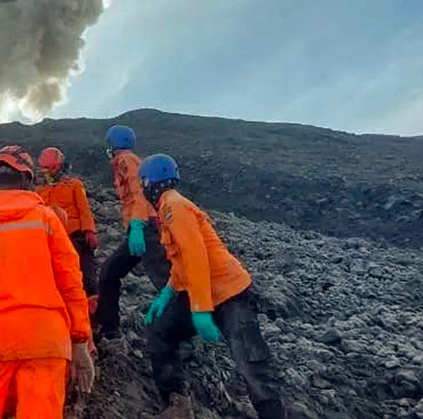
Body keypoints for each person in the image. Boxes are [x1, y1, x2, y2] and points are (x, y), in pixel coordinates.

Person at [0, 146, 95, 419]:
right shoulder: (48, 219)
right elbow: (71, 282)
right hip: (46, 339)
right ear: (27, 180)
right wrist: (81, 340)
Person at [140, 154, 285, 419]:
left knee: (251, 362)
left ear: (150, 182)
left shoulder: (174, 207)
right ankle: (177, 403)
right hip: (201, 291)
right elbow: (182, 260)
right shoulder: (167, 209)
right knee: (160, 330)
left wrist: (200, 309)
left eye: (143, 182)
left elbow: (196, 257)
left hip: (230, 292)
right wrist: (169, 291)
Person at [95, 125, 171, 339]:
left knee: (165, 281)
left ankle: (181, 330)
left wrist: (137, 224)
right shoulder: (126, 161)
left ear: (113, 144)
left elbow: (139, 193)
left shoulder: (126, 160)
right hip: (140, 229)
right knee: (109, 273)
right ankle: (109, 328)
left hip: (146, 228)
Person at [34, 147, 99, 315]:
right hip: (52, 239)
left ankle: (95, 313)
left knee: (86, 275)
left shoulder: (74, 185)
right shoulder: (40, 191)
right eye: (45, 169)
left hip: (75, 236)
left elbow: (84, 209)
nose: (47, 172)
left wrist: (89, 231)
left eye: (51, 168)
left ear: (60, 166)